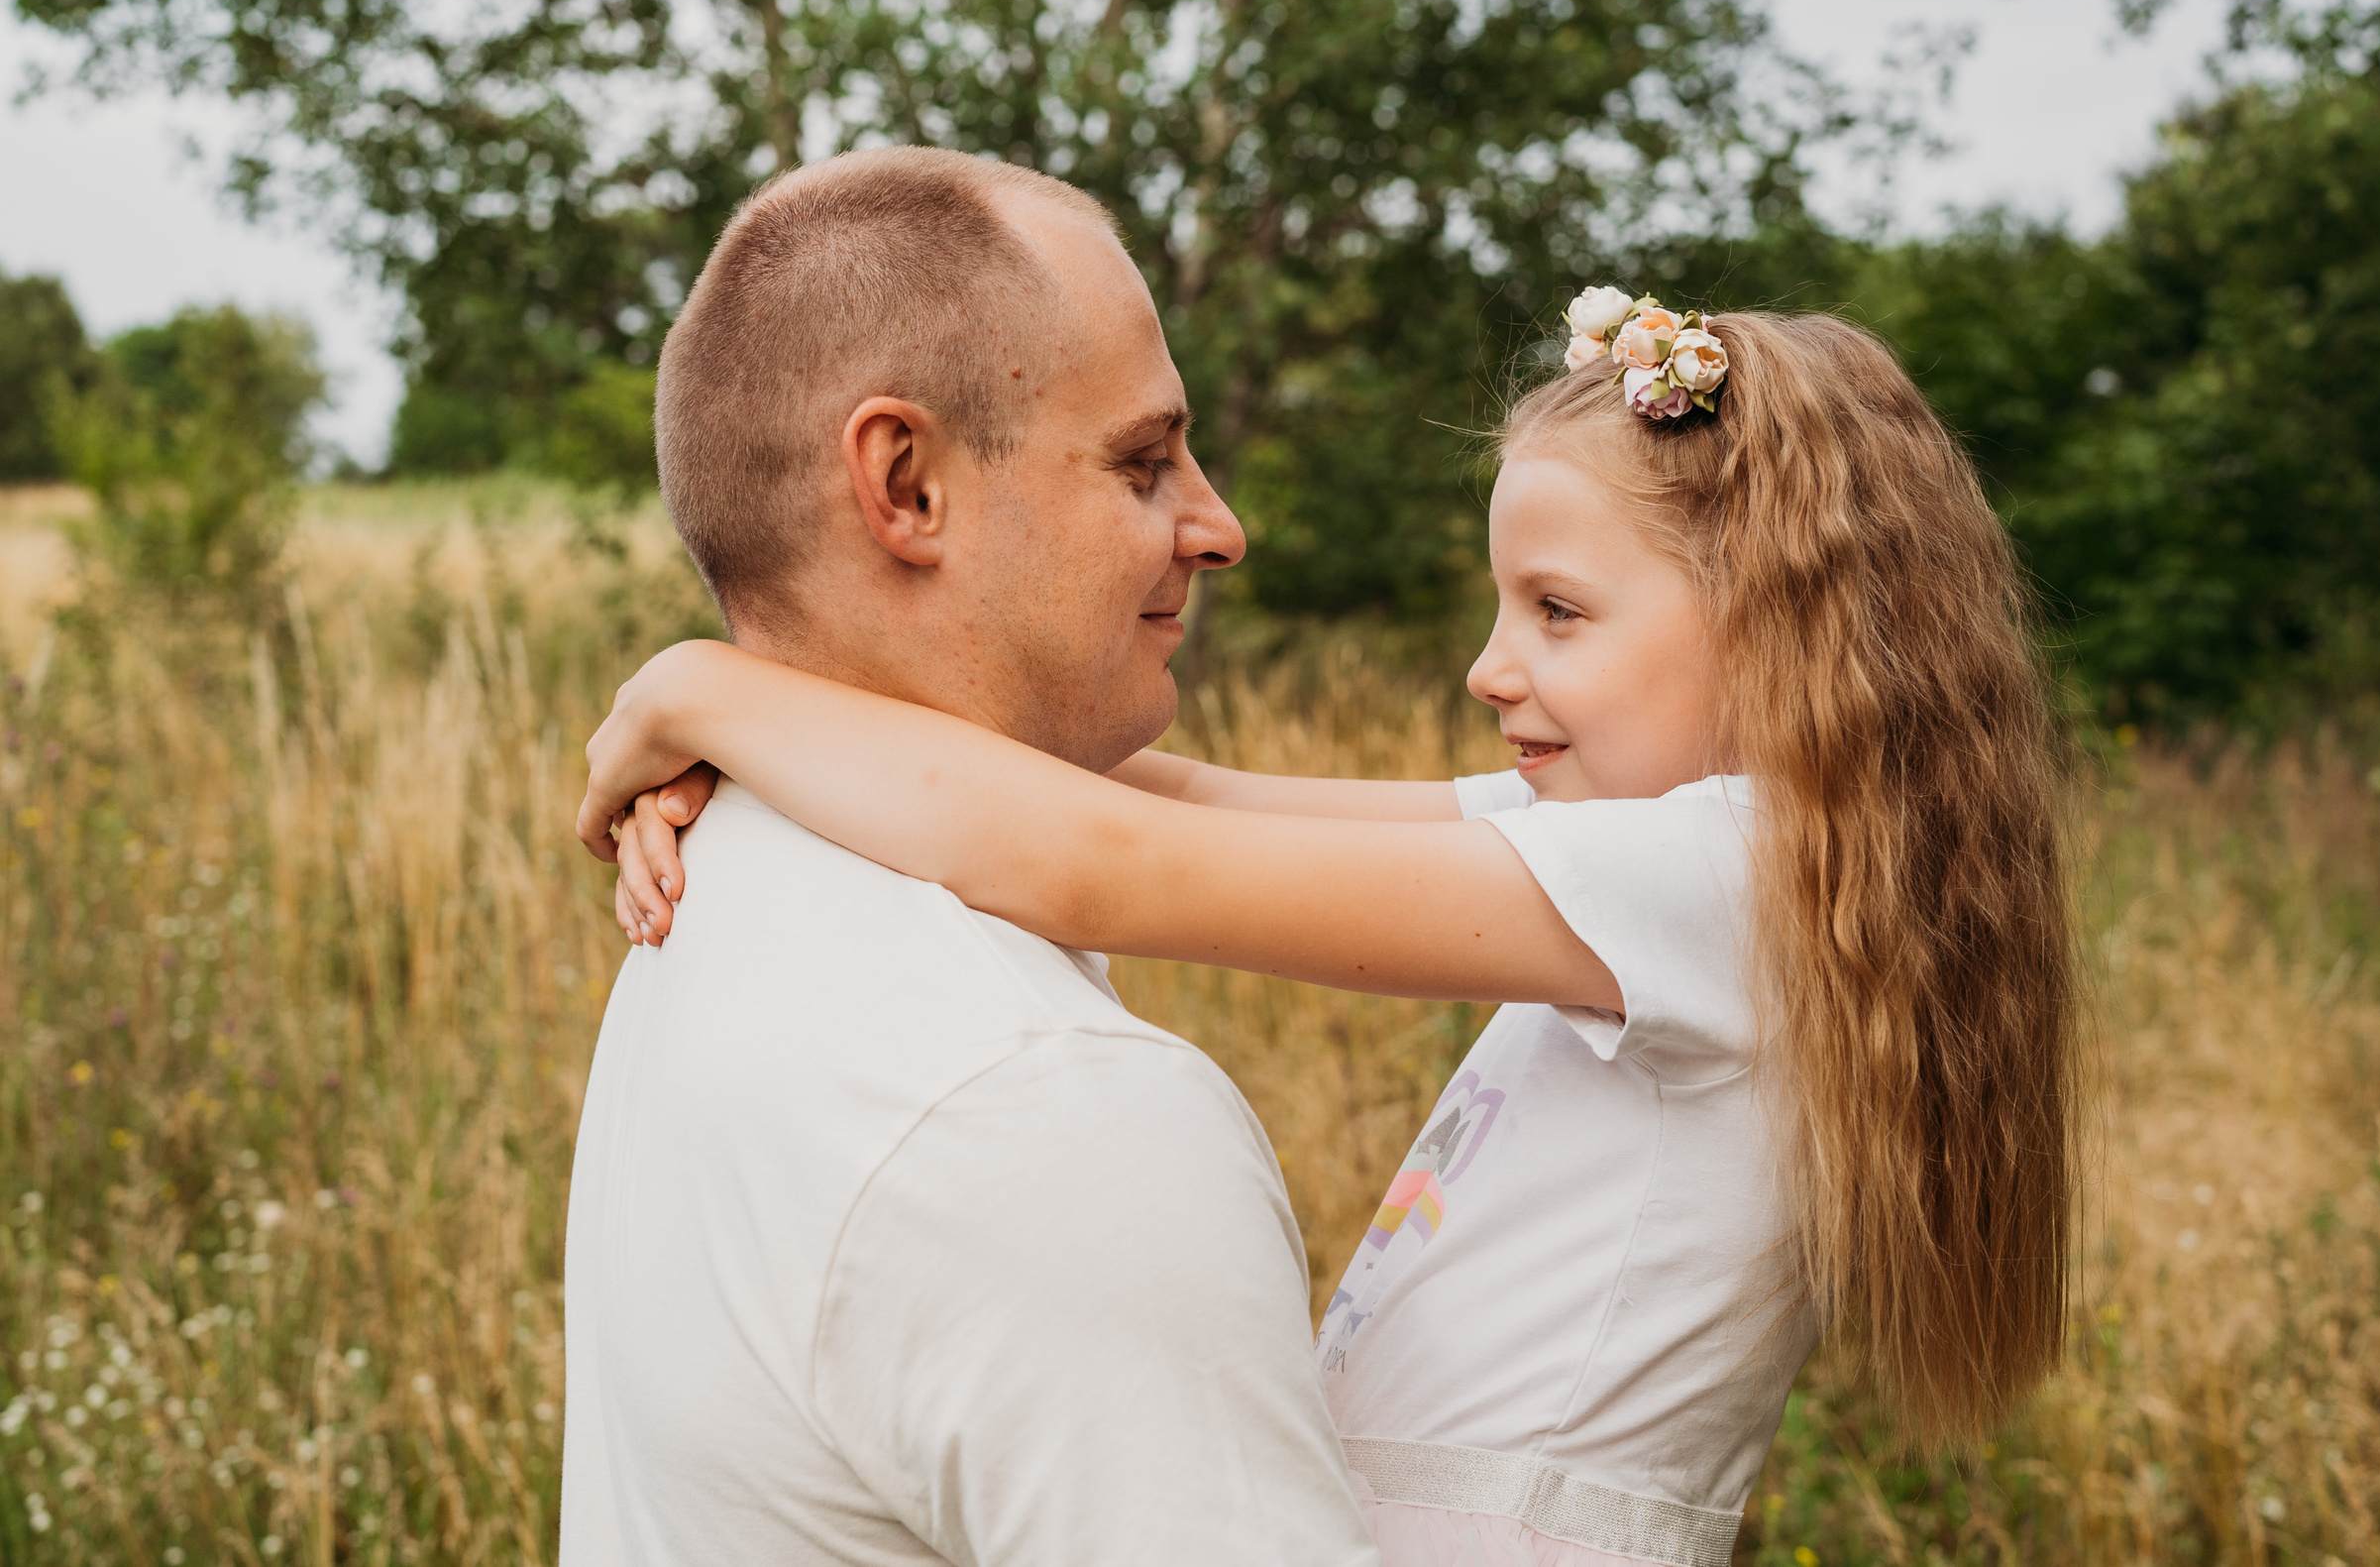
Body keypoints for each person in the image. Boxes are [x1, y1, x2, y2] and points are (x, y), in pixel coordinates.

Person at [583, 297, 2080, 1567]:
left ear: (1778, 628)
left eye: (1560, 612)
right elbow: (1178, 790)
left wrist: (701, 691)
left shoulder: (1733, 878)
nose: (1492, 668)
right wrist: (781, 736)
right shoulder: (1665, 857)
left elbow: (1105, 862)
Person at [558, 146, 1381, 1566]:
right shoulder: (1039, 1110)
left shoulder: (735, 882)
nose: (1218, 526)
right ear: (907, 484)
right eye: (1142, 461)